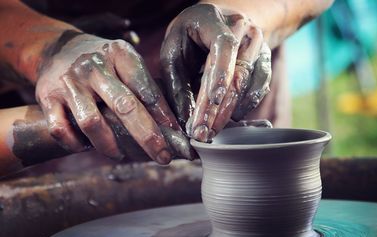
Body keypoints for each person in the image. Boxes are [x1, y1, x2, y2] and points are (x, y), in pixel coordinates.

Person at [0, 0, 333, 175]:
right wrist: (48, 49)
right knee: (55, 224)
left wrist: (240, 17)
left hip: (209, 48)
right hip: (28, 38)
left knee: (247, 179)